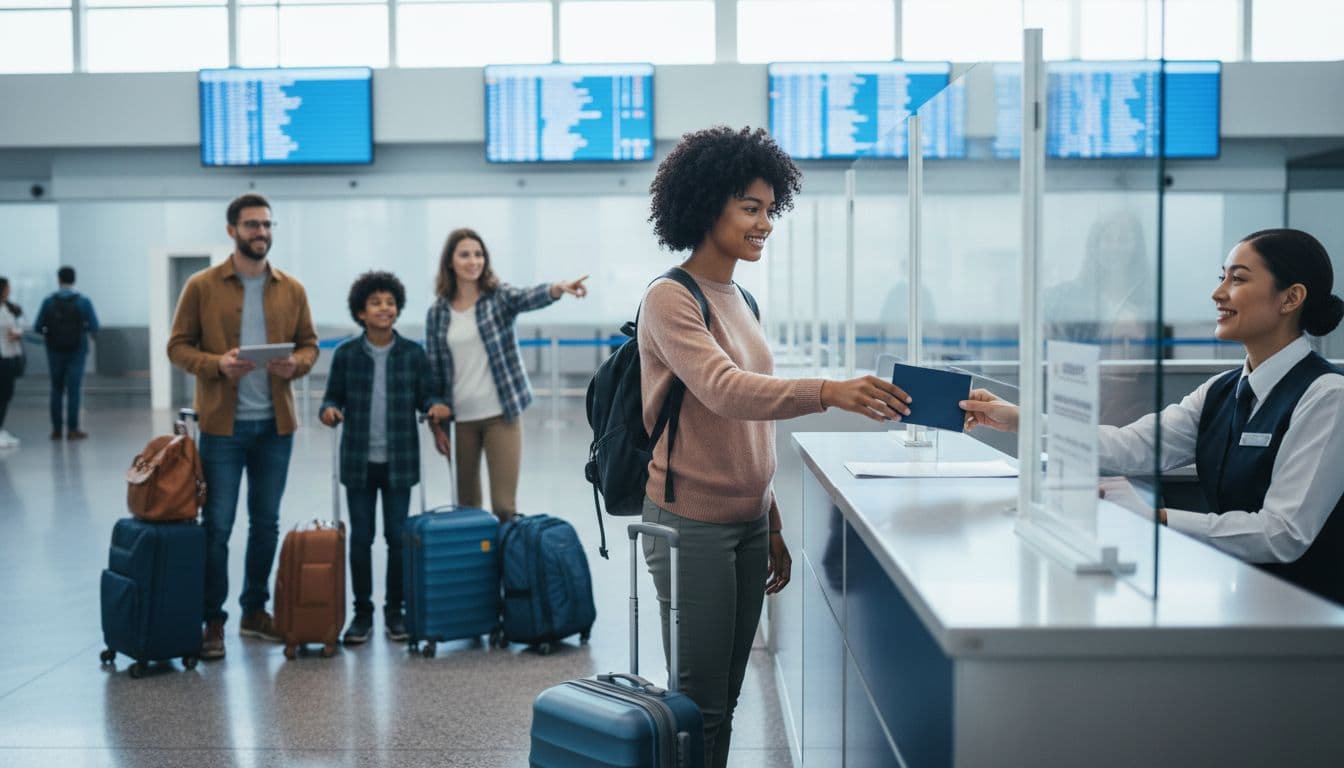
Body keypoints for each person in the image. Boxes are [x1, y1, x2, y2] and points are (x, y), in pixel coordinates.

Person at [639, 125, 912, 767]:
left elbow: (750, 424)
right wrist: (829, 391)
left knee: (725, 699)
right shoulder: (669, 298)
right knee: (698, 703)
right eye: (749, 208)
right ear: (707, 206)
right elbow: (727, 391)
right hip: (690, 526)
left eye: (769, 209)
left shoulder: (742, 298)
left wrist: (770, 519)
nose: (765, 223)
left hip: (744, 522)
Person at [962, 228, 1344, 607]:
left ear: (1291, 298)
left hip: (1309, 615)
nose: (1218, 293)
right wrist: (1019, 419)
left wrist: (1157, 518)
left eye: (1238, 279)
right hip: (1243, 597)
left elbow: (1283, 534)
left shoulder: (1327, 396)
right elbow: (1130, 447)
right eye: (1221, 277)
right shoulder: (1221, 390)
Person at [167, 192, 319, 660]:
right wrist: (217, 364)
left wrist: (296, 365)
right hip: (222, 428)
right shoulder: (202, 286)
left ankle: (255, 611)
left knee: (266, 523)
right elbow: (177, 347)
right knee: (216, 526)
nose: (262, 233)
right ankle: (213, 620)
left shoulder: (291, 288)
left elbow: (310, 346)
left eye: (267, 225)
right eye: (252, 225)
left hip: (276, 426)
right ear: (231, 230)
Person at [320, 271, 450, 645]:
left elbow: (426, 396)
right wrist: (329, 411)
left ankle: (396, 611)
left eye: (390, 302)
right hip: (358, 460)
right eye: (375, 303)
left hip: (400, 460)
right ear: (360, 312)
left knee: (397, 538)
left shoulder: (413, 353)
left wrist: (435, 405)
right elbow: (332, 397)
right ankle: (362, 613)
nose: (384, 308)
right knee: (361, 539)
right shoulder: (346, 354)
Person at [424, 227, 588, 523]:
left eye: (479, 254)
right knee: (467, 508)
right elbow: (433, 373)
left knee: (504, 508)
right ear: (450, 262)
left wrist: (559, 288)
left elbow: (528, 297)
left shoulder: (497, 298)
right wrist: (435, 424)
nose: (473, 261)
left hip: (502, 415)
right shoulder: (437, 313)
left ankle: (506, 567)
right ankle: (477, 567)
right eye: (465, 255)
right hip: (460, 421)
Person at [34, 266, 98, 440]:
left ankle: (56, 430)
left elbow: (38, 327)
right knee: (74, 390)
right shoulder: (83, 301)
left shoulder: (48, 301)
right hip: (77, 350)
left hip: (54, 351)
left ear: (59, 279)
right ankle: (73, 429)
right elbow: (94, 326)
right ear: (74, 279)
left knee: (56, 389)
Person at [0, 277, 24, 449]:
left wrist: (17, 332)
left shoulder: (9, 308)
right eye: (7, 287)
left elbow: (18, 324)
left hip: (10, 355)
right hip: (1, 355)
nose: (10, 290)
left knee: (6, 394)